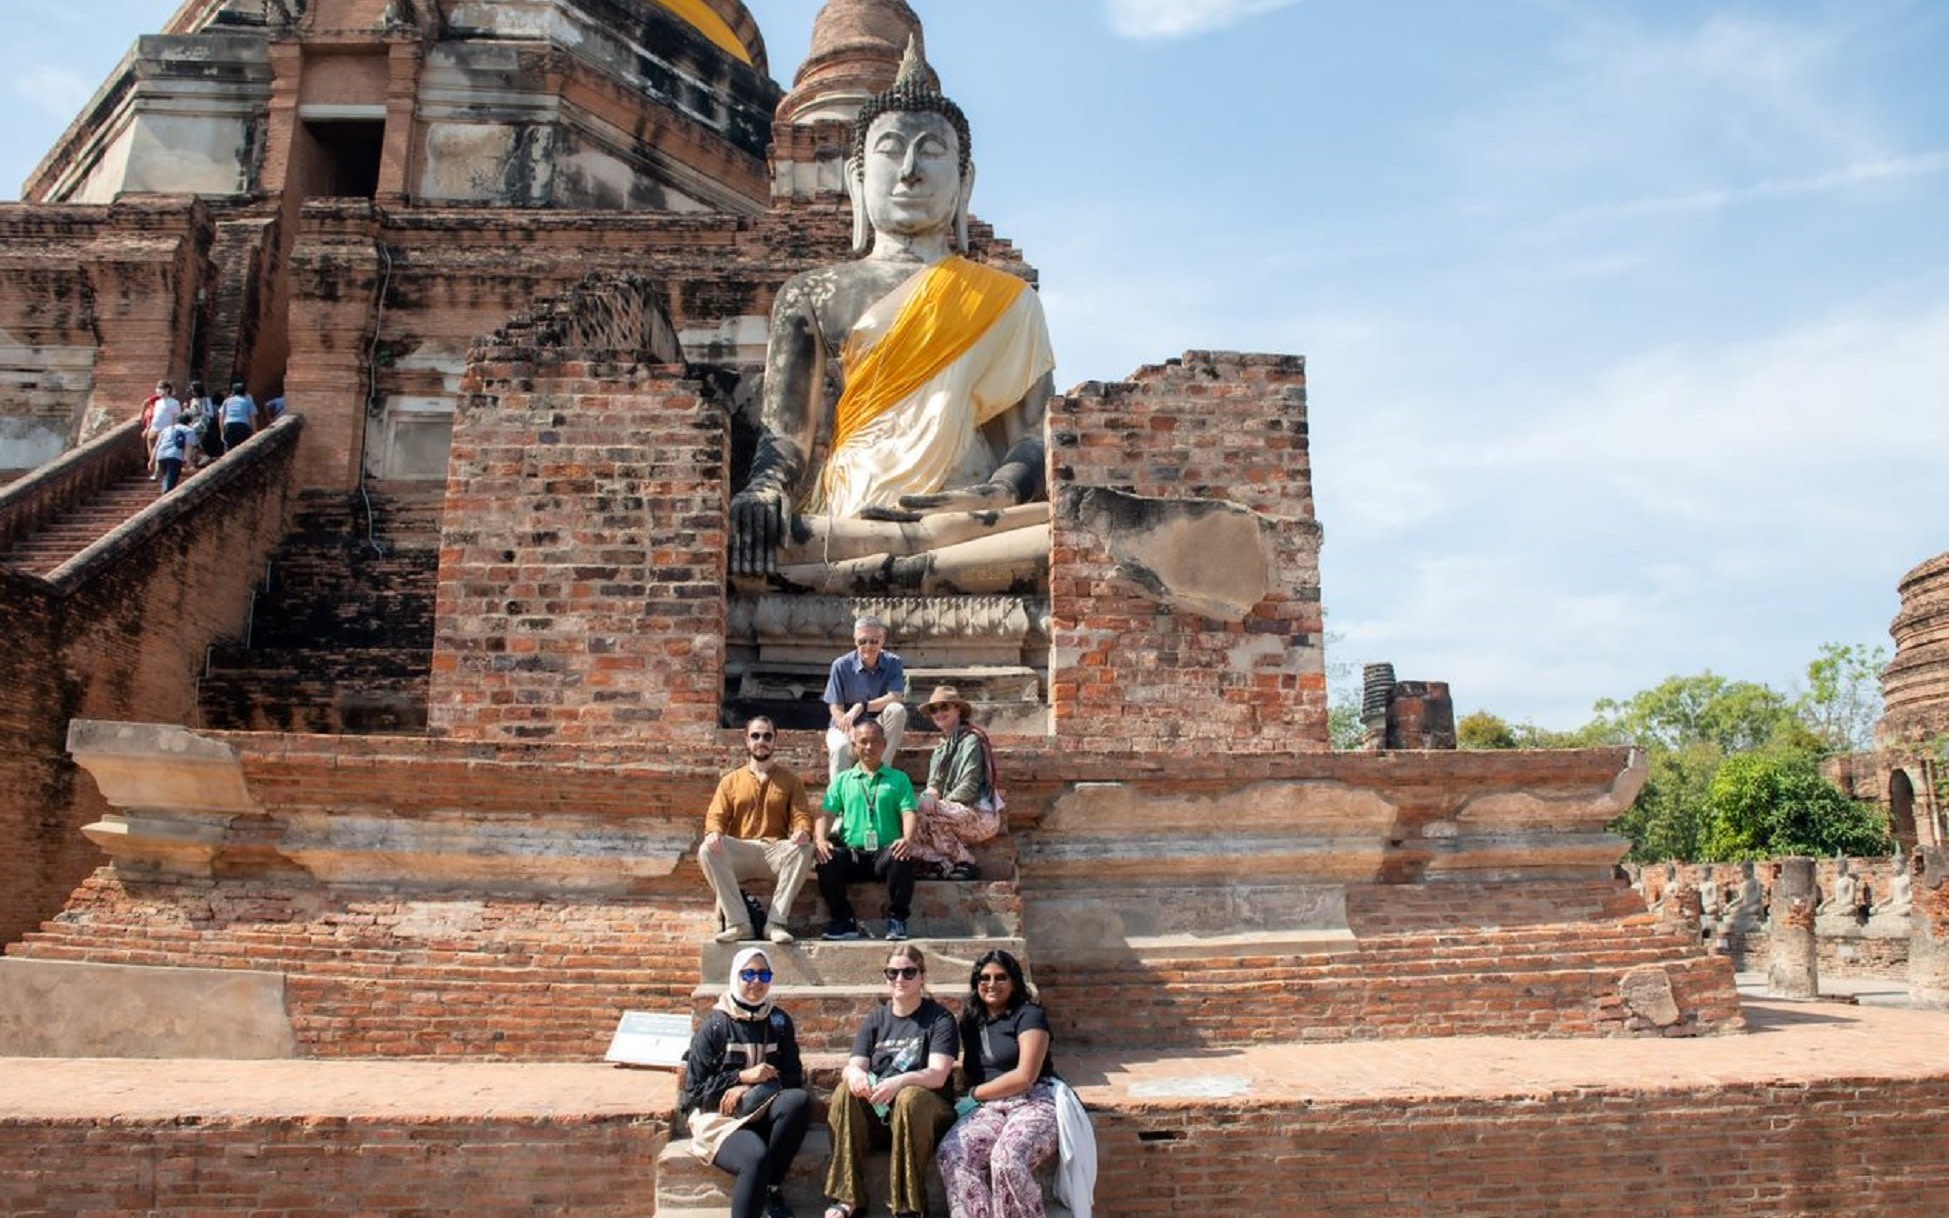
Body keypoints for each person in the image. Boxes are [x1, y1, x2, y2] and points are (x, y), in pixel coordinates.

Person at [729, 38, 1055, 595]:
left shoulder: (1009, 299)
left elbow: (1032, 437)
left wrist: (999, 493)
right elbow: (786, 438)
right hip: (849, 514)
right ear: (857, 180)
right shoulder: (813, 293)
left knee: (1057, 537)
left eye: (931, 151)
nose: (909, 170)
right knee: (752, 541)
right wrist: (763, 492)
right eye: (890, 150)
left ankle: (909, 553)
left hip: (965, 517)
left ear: (964, 182)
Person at [825, 944, 958, 1218]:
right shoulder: (876, 1019)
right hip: (882, 1116)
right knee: (844, 1091)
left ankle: (909, 1205)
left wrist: (900, 1082)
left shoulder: (939, 1018)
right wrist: (856, 1074)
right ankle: (849, 1197)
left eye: (909, 972)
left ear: (922, 976)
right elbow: (854, 1066)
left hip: (926, 1118)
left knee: (910, 1096)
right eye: (892, 973)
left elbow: (937, 1075)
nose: (900, 979)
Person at [682, 946, 811, 1218]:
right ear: (735, 976)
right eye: (748, 974)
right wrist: (739, 1077)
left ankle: (770, 1189)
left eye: (764, 975)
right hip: (719, 1119)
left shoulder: (778, 1021)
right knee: (754, 1157)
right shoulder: (715, 1025)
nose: (756, 982)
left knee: (797, 1101)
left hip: (761, 1106)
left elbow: (793, 1077)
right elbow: (694, 1092)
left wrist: (751, 1087)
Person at [938, 949, 1059, 1218]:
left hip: (1034, 1100)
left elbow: (1025, 1076)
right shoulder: (971, 1021)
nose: (991, 984)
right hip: (990, 1108)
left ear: (1014, 981)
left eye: (1000, 977)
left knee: (1006, 1159)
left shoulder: (1029, 1015)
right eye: (984, 978)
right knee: (953, 1153)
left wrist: (974, 1094)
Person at [701, 716, 814, 945]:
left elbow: (802, 815)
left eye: (767, 736)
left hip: (773, 851)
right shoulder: (731, 780)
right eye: (755, 736)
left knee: (805, 849)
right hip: (740, 850)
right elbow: (716, 816)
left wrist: (802, 831)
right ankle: (739, 924)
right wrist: (714, 831)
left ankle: (775, 924)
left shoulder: (791, 781)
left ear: (775, 741)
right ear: (747, 740)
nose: (761, 741)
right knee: (706, 850)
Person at [817, 719, 919, 941]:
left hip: (884, 853)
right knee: (826, 857)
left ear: (884, 744)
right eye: (863, 741)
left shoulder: (899, 779)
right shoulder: (842, 780)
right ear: (854, 746)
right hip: (853, 853)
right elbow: (826, 814)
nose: (869, 747)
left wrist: (907, 839)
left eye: (875, 741)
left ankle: (897, 919)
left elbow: (909, 813)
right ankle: (843, 920)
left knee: (901, 854)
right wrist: (821, 840)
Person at [909, 685, 1004, 881]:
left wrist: (936, 805)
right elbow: (933, 785)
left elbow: (969, 788)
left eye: (944, 707)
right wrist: (930, 796)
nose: (939, 713)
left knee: (924, 815)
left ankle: (966, 862)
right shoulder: (940, 750)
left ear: (958, 709)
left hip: (979, 815)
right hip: (951, 815)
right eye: (934, 709)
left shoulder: (971, 740)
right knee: (910, 816)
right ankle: (940, 865)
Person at [824, 615, 909, 780]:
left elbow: (895, 696)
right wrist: (851, 731)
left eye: (874, 641)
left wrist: (862, 706)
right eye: (862, 641)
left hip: (877, 724)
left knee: (897, 710)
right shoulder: (841, 665)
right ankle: (838, 794)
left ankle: (880, 772)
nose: (868, 647)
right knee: (841, 748)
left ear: (883, 640)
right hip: (845, 726)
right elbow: (835, 707)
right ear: (855, 640)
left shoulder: (894, 663)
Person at [143, 380, 181, 479]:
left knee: (159, 451)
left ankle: (157, 473)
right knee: (152, 452)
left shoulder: (174, 403)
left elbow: (176, 417)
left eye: (160, 388)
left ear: (167, 389)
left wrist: (173, 430)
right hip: (154, 428)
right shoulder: (158, 402)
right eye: (157, 388)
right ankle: (156, 470)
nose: (158, 390)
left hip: (165, 429)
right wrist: (148, 428)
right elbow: (154, 416)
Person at [152, 415, 199, 494]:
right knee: (171, 480)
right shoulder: (189, 431)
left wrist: (151, 460)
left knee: (166, 477)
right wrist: (188, 461)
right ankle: (166, 495)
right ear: (189, 422)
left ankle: (164, 493)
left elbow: (157, 446)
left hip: (161, 455)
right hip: (175, 456)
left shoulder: (166, 429)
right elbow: (188, 446)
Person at [219, 381, 258, 452]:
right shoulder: (248, 401)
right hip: (243, 427)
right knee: (244, 450)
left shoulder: (227, 401)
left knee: (229, 451)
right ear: (245, 392)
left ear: (233, 392)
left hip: (229, 426)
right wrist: (254, 431)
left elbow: (221, 417)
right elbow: (252, 417)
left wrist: (222, 432)